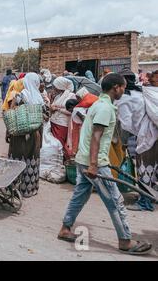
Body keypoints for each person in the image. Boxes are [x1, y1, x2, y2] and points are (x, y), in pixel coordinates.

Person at [58, 73, 153, 256]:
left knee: (79, 196)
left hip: (84, 160)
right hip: (94, 162)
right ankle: (125, 241)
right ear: (115, 87)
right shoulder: (104, 108)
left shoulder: (99, 104)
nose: (124, 90)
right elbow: (96, 136)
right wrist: (94, 164)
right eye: (123, 87)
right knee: (115, 202)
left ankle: (65, 228)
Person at [116, 69, 157, 212]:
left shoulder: (124, 98)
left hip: (147, 136)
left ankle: (145, 203)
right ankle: (151, 197)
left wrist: (123, 141)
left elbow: (126, 124)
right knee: (152, 168)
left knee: (145, 168)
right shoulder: (141, 91)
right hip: (154, 132)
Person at [7, 73, 44, 198]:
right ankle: (30, 189)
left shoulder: (20, 96)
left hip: (19, 135)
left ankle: (15, 188)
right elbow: (45, 118)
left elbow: (11, 115)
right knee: (31, 159)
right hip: (35, 135)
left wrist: (8, 133)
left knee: (17, 159)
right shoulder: (40, 99)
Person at [50, 77, 76, 159]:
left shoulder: (71, 96)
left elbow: (71, 111)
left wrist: (58, 109)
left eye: (56, 86)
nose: (54, 88)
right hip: (54, 121)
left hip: (62, 124)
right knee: (55, 144)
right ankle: (56, 159)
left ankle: (63, 159)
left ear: (61, 86)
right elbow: (53, 105)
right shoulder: (58, 96)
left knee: (60, 143)